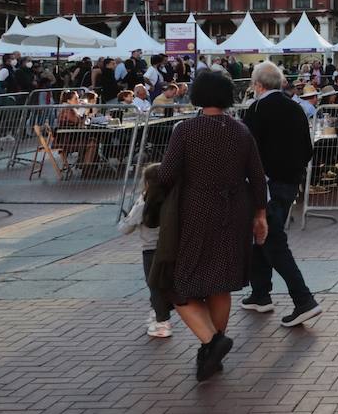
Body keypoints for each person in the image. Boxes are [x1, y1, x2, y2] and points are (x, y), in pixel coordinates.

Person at [146, 70, 268, 381]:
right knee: (220, 282)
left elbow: (169, 173)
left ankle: (213, 341)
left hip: (197, 211)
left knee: (177, 285)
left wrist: (153, 196)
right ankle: (211, 350)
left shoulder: (186, 130)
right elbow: (256, 175)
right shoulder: (241, 131)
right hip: (235, 211)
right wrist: (260, 215)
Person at [239, 61, 323, 328]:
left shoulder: (257, 108)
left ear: (258, 85)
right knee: (262, 236)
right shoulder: (295, 108)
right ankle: (260, 293)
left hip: (267, 182)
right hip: (290, 181)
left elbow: (248, 151)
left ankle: (303, 299)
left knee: (271, 238)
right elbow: (308, 149)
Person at [117, 162, 174, 338]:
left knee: (154, 286)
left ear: (147, 183)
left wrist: (127, 216)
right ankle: (156, 313)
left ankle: (162, 322)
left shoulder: (143, 204)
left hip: (150, 251)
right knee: (164, 284)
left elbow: (126, 229)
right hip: (172, 249)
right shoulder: (172, 200)